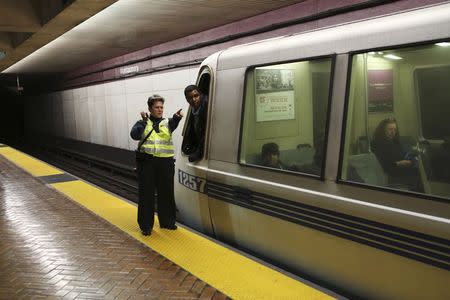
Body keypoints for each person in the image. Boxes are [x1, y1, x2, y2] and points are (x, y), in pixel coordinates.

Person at [130, 94, 183, 236]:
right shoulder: (141, 123)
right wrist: (144, 122)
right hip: (147, 163)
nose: (160, 110)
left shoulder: (168, 122)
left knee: (166, 193)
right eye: (156, 107)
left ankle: (167, 222)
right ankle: (146, 226)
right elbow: (134, 135)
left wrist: (177, 117)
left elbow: (175, 122)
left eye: (161, 107)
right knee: (146, 194)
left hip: (165, 162)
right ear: (150, 108)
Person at [371, 117, 422, 191]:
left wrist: (410, 156)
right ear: (383, 130)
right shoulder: (378, 144)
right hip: (393, 173)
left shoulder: (394, 142)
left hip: (402, 167)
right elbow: (383, 165)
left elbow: (401, 154)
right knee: (418, 174)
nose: (393, 132)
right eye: (390, 129)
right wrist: (399, 163)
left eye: (395, 129)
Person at [182, 85, 208, 162]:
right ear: (187, 99)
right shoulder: (194, 107)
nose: (193, 99)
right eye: (190, 98)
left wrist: (198, 153)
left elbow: (207, 132)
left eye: (196, 96)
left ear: (201, 95)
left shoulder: (207, 105)